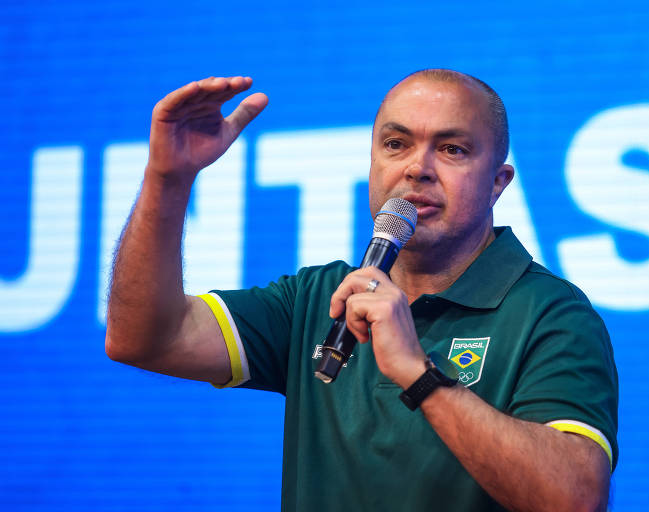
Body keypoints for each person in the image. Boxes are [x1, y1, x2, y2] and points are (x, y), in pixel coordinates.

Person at [106, 70, 618, 511]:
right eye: (396, 145)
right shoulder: (316, 297)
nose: (417, 167)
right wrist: (168, 178)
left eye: (452, 149)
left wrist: (417, 372)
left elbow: (573, 498)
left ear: (497, 182)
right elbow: (143, 338)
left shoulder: (550, 313)